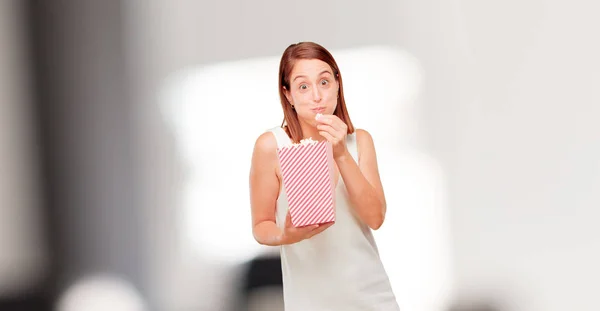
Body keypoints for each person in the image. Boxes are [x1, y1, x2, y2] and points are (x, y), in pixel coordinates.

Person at [249, 41, 400, 311]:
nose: (316, 96)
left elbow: (375, 217)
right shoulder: (272, 145)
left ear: (337, 84)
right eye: (303, 86)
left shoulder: (359, 141)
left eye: (324, 82)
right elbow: (261, 225)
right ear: (289, 95)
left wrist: (341, 154)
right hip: (310, 302)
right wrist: (288, 235)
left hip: (371, 296)